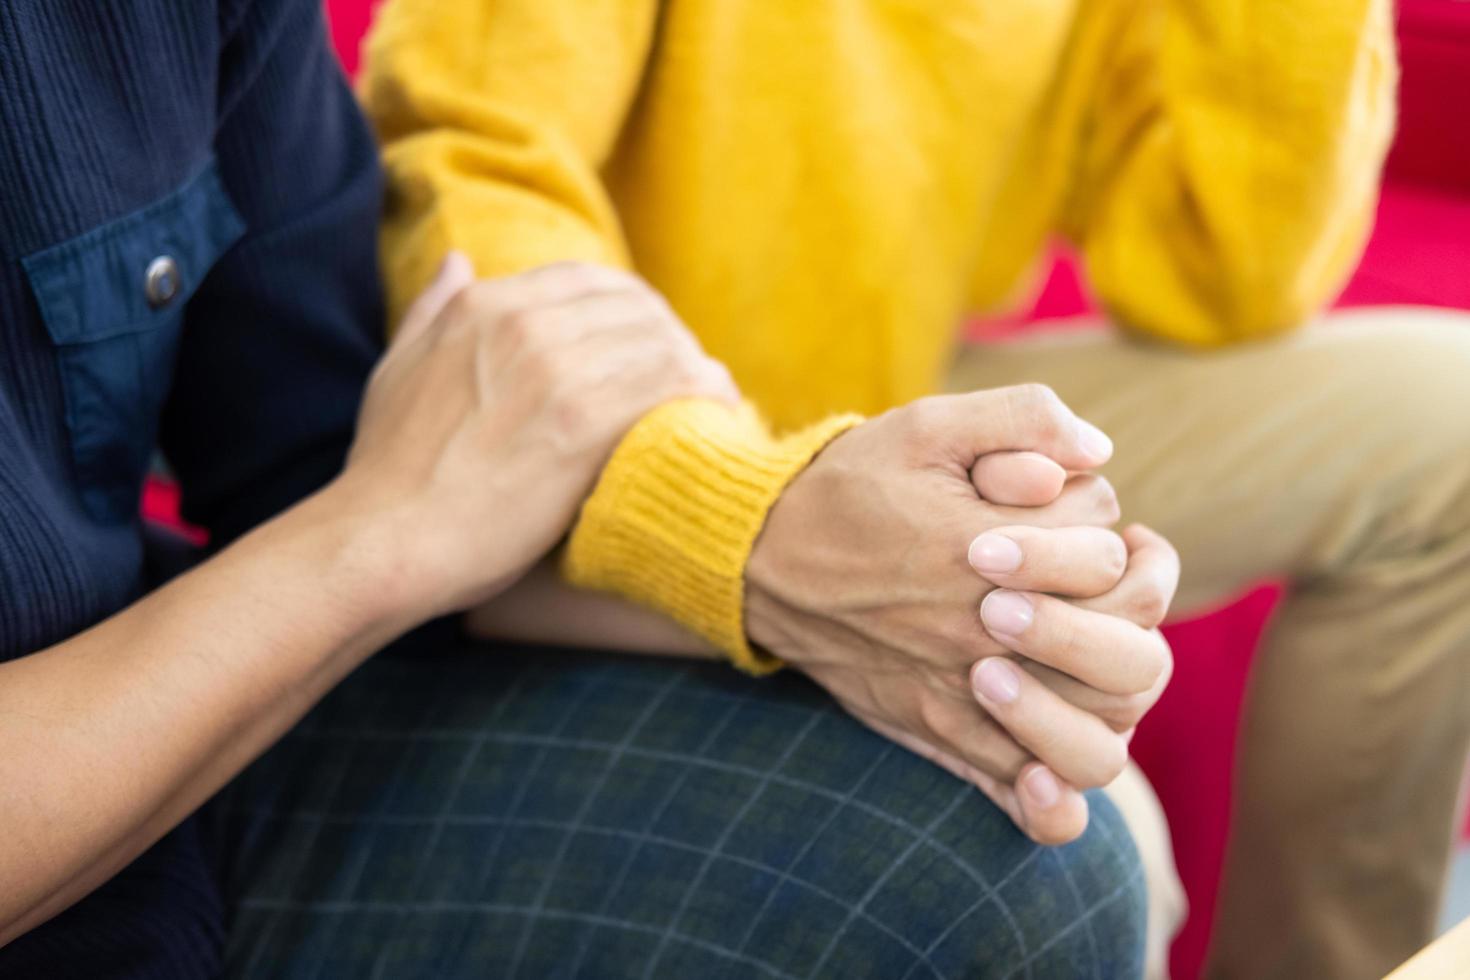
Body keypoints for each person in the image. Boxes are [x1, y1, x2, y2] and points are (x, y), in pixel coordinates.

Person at [0, 1, 1169, 977]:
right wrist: (375, 537)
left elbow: (318, 444)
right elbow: (378, 500)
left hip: (193, 755)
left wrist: (772, 543)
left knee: (1034, 857)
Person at [363, 0, 1470, 976]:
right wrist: (742, 494)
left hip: (906, 394)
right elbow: (472, 170)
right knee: (1088, 835)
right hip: (613, 431)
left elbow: (1212, 276)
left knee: (1455, 419)